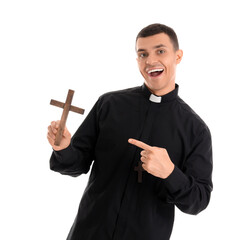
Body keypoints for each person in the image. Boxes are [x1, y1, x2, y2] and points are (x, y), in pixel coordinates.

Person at [47, 23, 213, 240]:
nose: (150, 60)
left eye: (160, 51)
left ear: (178, 56)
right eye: (143, 54)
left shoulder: (195, 130)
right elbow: (76, 164)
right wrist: (64, 148)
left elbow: (198, 201)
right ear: (137, 60)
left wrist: (170, 173)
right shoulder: (109, 104)